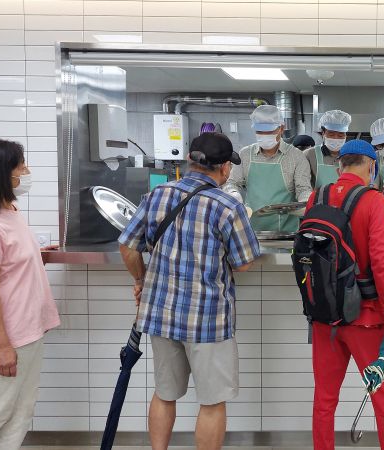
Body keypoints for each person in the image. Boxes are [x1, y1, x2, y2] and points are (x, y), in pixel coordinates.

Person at [119, 132, 261, 450]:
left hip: (160, 315)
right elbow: (244, 264)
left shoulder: (156, 195)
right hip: (207, 319)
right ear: (225, 168)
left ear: (189, 160)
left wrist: (141, 280)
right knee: (212, 402)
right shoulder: (228, 206)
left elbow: (127, 247)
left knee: (164, 393)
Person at [306, 139, 384, 450]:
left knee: (324, 400)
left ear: (340, 165)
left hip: (324, 317)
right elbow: (383, 263)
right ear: (371, 166)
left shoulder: (316, 197)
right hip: (365, 317)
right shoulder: (373, 200)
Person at [0, 138, 60, 448]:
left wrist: (36, 253)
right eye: (20, 167)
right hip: (9, 337)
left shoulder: (8, 211)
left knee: (20, 412)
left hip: (29, 331)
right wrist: (1, 347)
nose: (26, 172)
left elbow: (9, 263)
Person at [223, 104, 312, 233]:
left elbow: (303, 188)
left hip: (286, 232)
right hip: (251, 230)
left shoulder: (296, 156)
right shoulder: (245, 154)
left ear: (281, 128)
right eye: (259, 132)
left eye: (269, 132)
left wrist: (305, 202)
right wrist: (233, 193)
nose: (264, 135)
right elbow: (232, 183)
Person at [304, 109, 351, 187]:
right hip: (318, 195)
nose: (336, 138)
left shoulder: (352, 156)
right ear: (323, 133)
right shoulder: (310, 155)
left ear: (346, 135)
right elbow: (303, 184)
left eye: (340, 135)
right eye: (331, 134)